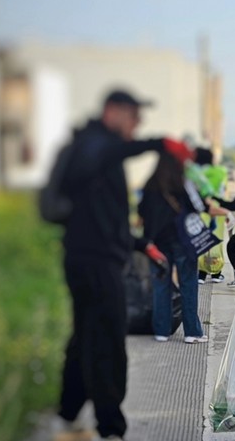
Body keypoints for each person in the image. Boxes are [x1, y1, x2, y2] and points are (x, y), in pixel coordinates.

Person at [54, 89, 194, 441]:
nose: (138, 122)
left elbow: (103, 217)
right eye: (133, 115)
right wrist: (158, 142)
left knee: (85, 338)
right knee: (108, 343)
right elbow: (107, 155)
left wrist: (140, 244)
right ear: (112, 112)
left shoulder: (100, 152)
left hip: (93, 256)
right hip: (95, 263)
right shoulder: (94, 145)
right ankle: (110, 430)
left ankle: (67, 414)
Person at [138, 152, 231, 343]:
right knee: (188, 286)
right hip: (183, 243)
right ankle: (192, 333)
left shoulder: (150, 185)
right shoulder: (183, 184)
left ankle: (161, 331)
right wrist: (225, 212)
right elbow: (202, 207)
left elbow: (141, 214)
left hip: (157, 244)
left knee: (160, 287)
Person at [191, 148, 229, 284]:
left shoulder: (197, 173)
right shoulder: (221, 172)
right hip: (217, 209)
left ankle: (201, 274)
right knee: (217, 241)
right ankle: (216, 273)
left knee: (202, 239)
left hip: (202, 210)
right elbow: (223, 191)